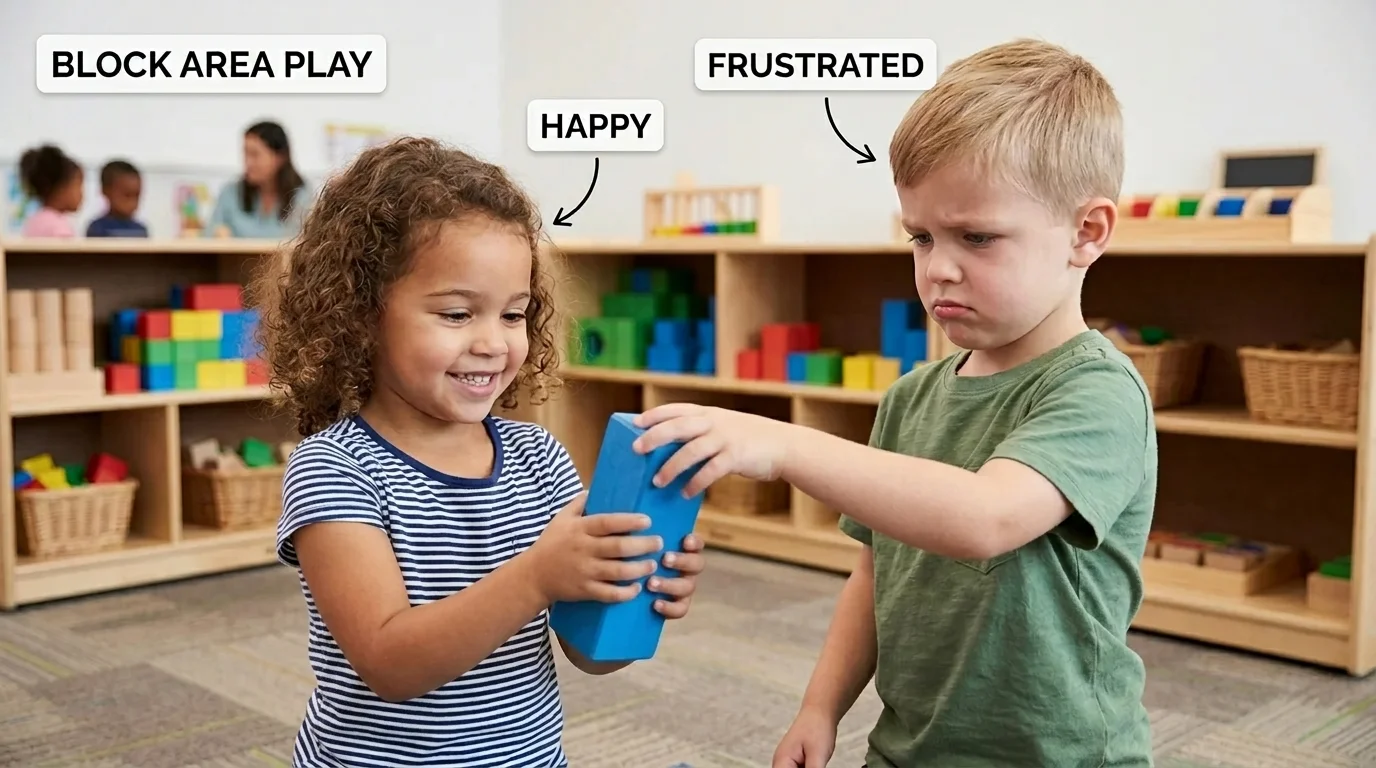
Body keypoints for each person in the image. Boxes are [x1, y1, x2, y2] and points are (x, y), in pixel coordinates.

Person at [632, 38, 1157, 768]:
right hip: (910, 746)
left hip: (1057, 755)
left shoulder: (1098, 392)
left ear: (1086, 232)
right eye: (921, 236)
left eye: (977, 237)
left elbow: (985, 517)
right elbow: (876, 572)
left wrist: (785, 445)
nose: (938, 268)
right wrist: (822, 707)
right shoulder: (912, 398)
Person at [250, 136, 707, 767]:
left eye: (514, 315)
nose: (494, 343)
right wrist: (538, 576)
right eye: (459, 314)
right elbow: (389, 664)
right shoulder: (335, 470)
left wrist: (634, 589)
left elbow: (587, 654)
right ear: (363, 315)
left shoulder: (539, 458)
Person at [205, 120, 312, 239]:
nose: (248, 162)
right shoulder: (230, 193)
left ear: (279, 157)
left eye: (255, 155)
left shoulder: (303, 197)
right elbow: (209, 236)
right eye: (245, 154)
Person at [18, 144, 83, 238]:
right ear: (62, 189)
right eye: (78, 186)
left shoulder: (33, 221)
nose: (81, 194)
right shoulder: (59, 229)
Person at [85, 160, 148, 238]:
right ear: (106, 191)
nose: (133, 202)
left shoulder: (141, 230)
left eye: (137, 196)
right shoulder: (97, 229)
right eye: (127, 195)